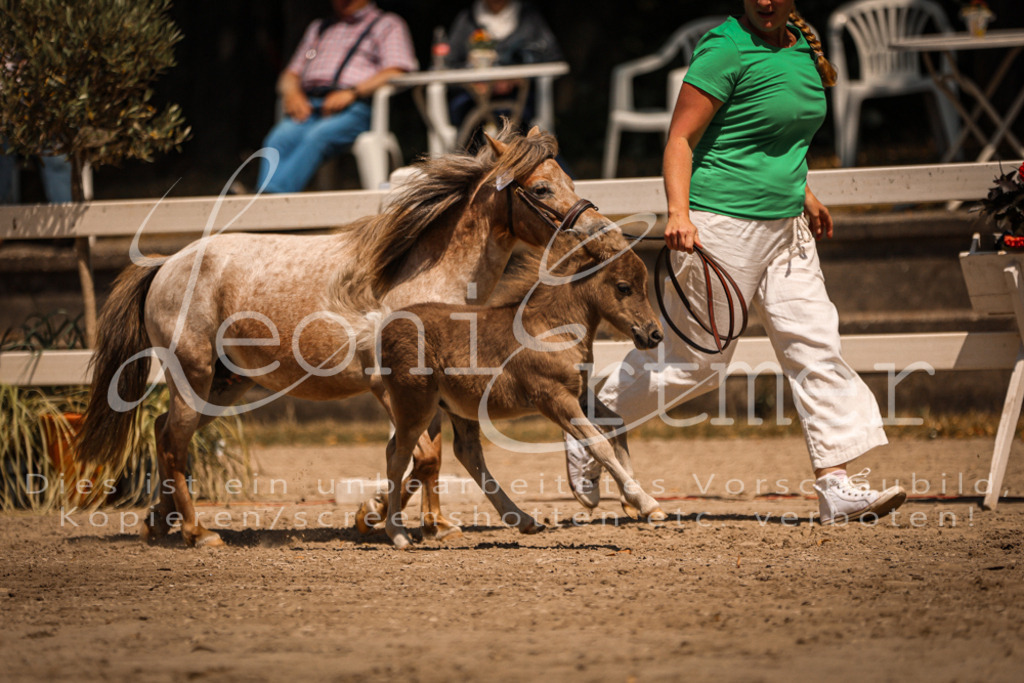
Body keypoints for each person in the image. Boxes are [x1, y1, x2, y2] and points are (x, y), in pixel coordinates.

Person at [564, 0, 907, 526]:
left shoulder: (800, 48)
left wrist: (804, 191)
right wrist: (678, 212)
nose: (765, 2)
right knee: (699, 365)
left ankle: (836, 484)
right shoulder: (725, 48)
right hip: (718, 227)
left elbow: (771, 139)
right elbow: (680, 139)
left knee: (815, 343)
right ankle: (593, 419)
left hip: (786, 230)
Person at [256, 0, 417, 193]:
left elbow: (398, 70)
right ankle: (265, 199)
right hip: (310, 104)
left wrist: (353, 92)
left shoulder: (387, 24)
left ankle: (269, 199)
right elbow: (290, 74)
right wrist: (293, 93)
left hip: (356, 107)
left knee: (317, 137)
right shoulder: (320, 27)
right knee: (279, 137)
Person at [445, 0, 562, 146]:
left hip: (519, 97)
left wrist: (517, 79)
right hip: (473, 98)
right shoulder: (467, 19)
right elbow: (448, 64)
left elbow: (550, 57)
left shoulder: (528, 18)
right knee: (468, 126)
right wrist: (475, 82)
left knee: (524, 128)